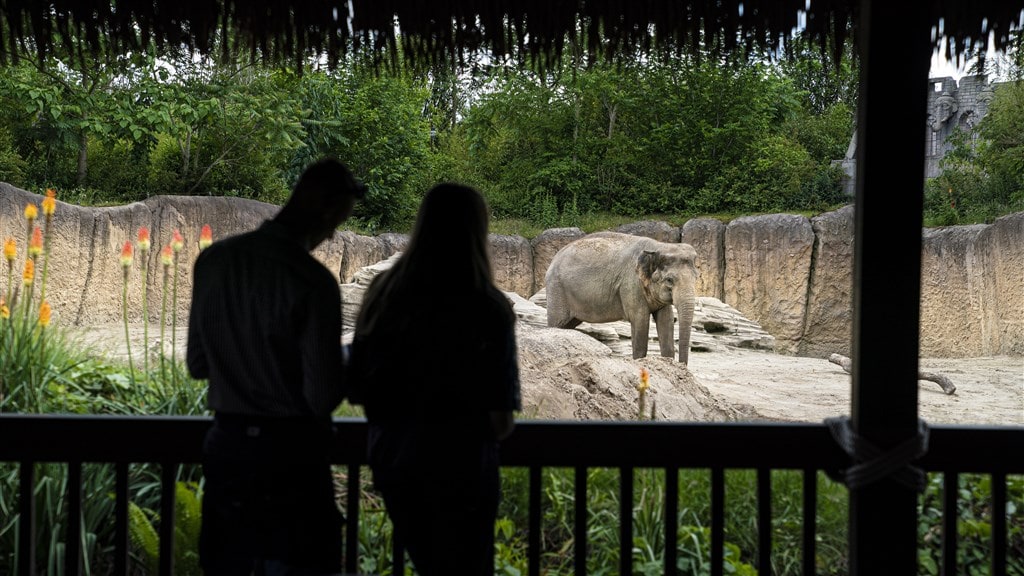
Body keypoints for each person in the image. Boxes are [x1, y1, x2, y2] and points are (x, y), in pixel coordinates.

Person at [186, 157, 365, 575]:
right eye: (336, 220)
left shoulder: (214, 262)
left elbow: (197, 364)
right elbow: (321, 397)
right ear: (324, 210)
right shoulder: (314, 283)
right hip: (292, 459)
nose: (334, 233)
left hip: (228, 448)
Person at [348, 183, 521, 575]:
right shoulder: (487, 308)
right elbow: (501, 419)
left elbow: (358, 387)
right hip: (465, 472)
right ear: (479, 231)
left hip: (396, 464)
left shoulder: (383, 294)